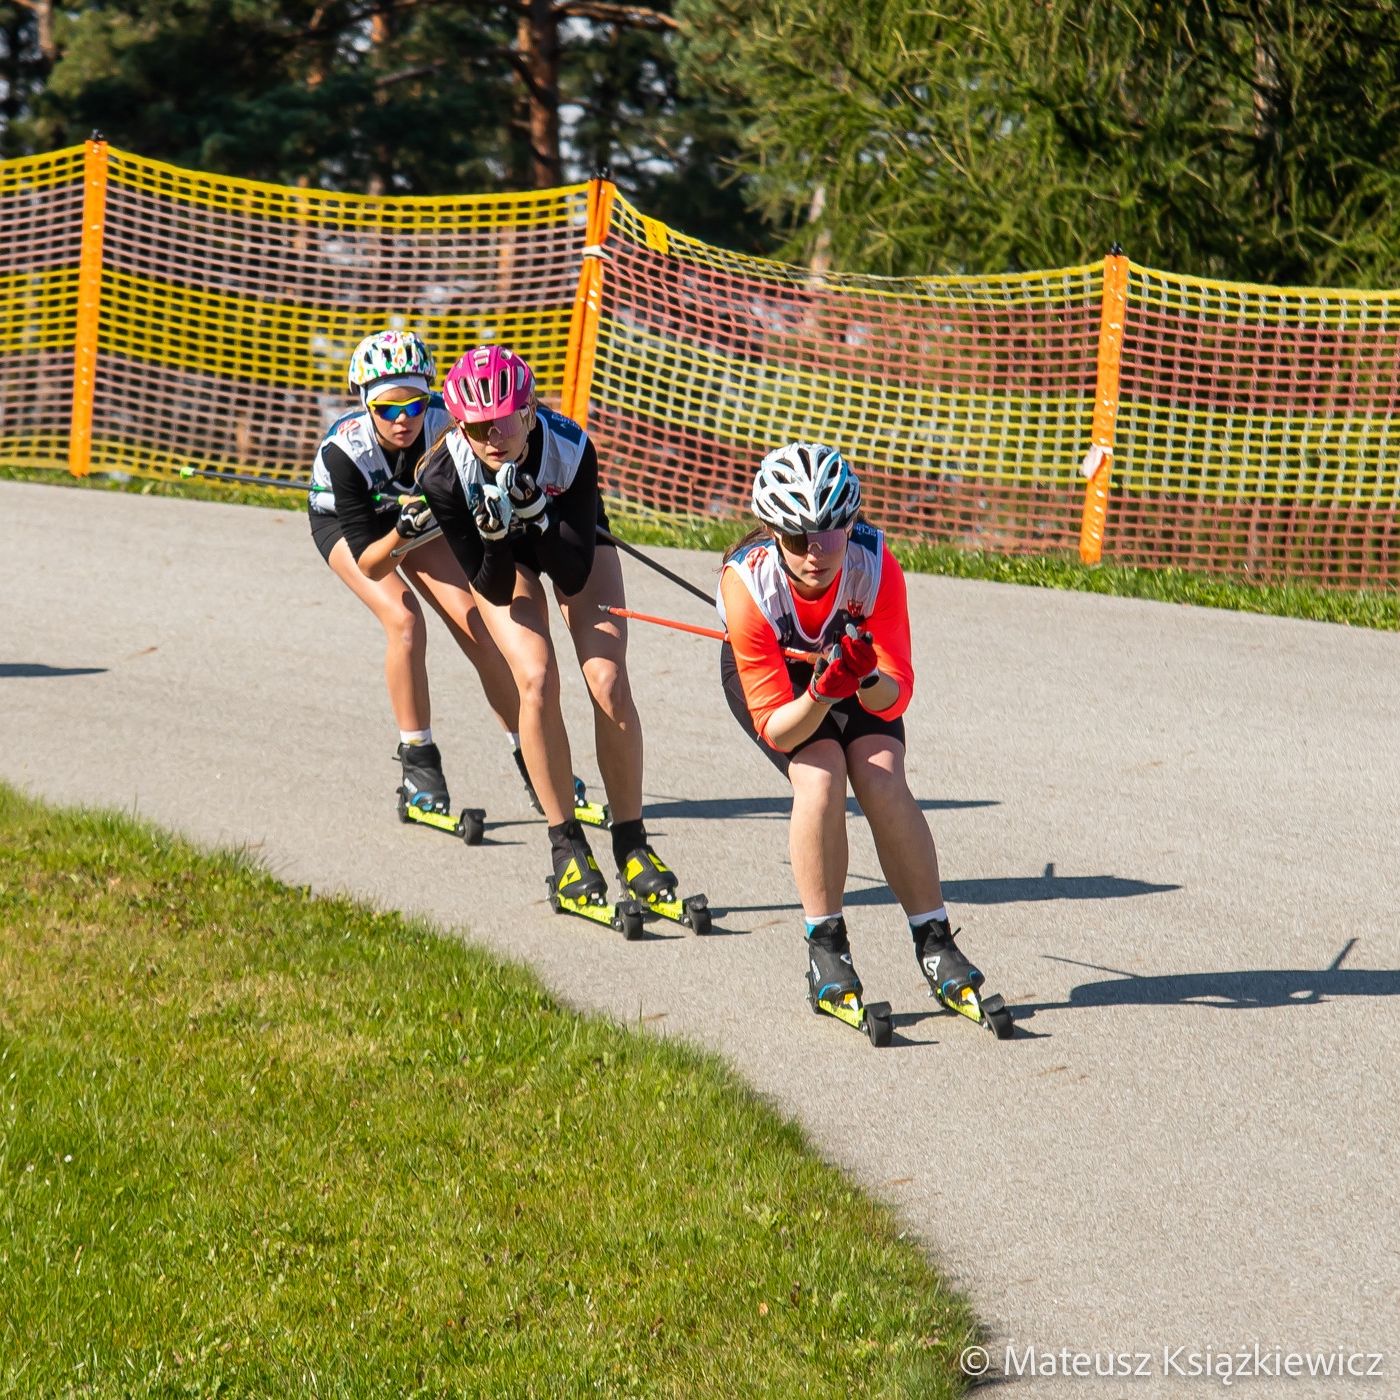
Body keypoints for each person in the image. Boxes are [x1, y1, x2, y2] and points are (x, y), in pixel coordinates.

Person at [717, 440, 989, 1012]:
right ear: (772, 534)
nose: (815, 554)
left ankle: (934, 939)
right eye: (797, 540)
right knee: (820, 775)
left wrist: (861, 677)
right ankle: (826, 946)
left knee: (882, 778)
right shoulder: (748, 589)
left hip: (853, 665)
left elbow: (894, 699)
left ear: (851, 527)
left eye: (831, 535)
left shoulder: (874, 564)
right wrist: (821, 687)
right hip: (789, 687)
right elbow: (781, 729)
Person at [416, 343, 678, 906]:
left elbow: (575, 572)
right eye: (477, 427)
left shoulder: (570, 448)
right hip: (502, 564)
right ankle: (566, 846)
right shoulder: (441, 473)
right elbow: (486, 586)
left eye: (504, 419)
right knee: (534, 679)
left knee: (607, 681)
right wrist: (491, 537)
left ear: (529, 409)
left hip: (569, 544)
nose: (492, 437)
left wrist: (537, 513)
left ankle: (632, 843)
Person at [308, 329, 530, 816]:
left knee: (477, 626)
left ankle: (532, 754)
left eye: (413, 403)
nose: (403, 418)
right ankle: (419, 764)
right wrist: (403, 530)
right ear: (366, 405)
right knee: (405, 621)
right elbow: (372, 561)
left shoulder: (446, 425)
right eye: (388, 409)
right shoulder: (344, 453)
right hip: (358, 531)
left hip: (416, 519)